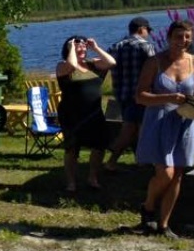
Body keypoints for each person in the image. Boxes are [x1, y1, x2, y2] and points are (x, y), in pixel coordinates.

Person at [134, 20, 194, 239]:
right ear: (169, 37)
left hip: (185, 122)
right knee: (165, 173)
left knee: (177, 175)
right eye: (179, 36)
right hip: (159, 122)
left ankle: (164, 224)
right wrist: (169, 97)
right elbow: (140, 96)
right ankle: (148, 206)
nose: (183, 41)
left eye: (187, 37)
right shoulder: (154, 62)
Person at [56, 35, 116, 193]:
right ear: (70, 49)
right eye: (78, 47)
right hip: (72, 115)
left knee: (99, 145)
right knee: (72, 149)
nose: (82, 49)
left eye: (84, 47)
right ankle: (71, 183)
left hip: (94, 113)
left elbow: (111, 62)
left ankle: (93, 177)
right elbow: (72, 64)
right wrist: (71, 49)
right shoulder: (63, 66)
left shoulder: (93, 64)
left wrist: (95, 47)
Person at [105, 17, 156, 171]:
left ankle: (141, 160)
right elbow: (154, 70)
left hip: (122, 95)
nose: (148, 34)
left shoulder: (116, 46)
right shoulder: (146, 46)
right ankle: (112, 161)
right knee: (133, 129)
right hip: (141, 95)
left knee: (133, 128)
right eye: (148, 30)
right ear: (141, 29)